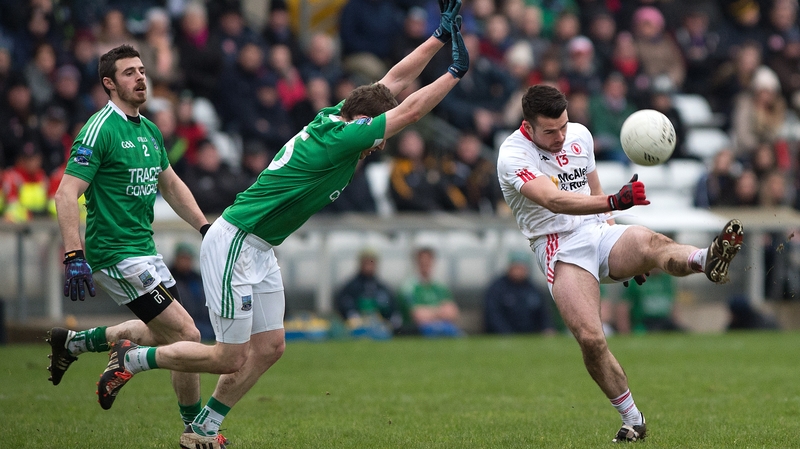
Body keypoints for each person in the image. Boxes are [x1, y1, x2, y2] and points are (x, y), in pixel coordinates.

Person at [94, 4, 469, 448]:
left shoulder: (339, 116)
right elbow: (408, 112)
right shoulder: (343, 139)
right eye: (378, 136)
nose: (380, 145)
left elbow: (391, 83)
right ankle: (134, 359)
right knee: (228, 357)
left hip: (259, 247)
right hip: (236, 242)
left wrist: (439, 37)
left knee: (271, 346)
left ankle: (204, 428)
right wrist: (455, 73)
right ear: (364, 124)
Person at [496, 84, 745, 443]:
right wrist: (615, 201)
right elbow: (554, 201)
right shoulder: (512, 155)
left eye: (563, 126)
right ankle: (633, 420)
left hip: (597, 231)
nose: (560, 136)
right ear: (528, 126)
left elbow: (594, 192)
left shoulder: (580, 135)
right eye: (550, 131)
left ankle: (707, 258)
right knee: (591, 339)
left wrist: (619, 242)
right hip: (557, 246)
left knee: (651, 243)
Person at [46, 45, 211, 433]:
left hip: (144, 251)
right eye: (129, 73)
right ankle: (195, 430)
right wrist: (74, 254)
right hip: (115, 253)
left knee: (167, 336)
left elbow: (171, 185)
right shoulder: (100, 129)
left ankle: (74, 343)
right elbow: (65, 194)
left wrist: (205, 228)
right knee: (188, 334)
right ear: (109, 83)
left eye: (142, 70)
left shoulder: (150, 130)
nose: (140, 78)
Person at [483, 251, 554, 334]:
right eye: (516, 268)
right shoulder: (497, 288)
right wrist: (505, 333)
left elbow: (543, 314)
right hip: (503, 335)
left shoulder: (534, 289)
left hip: (530, 334)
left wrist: (547, 328)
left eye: (522, 268)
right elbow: (493, 314)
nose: (519, 271)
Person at [398, 246, 463, 337]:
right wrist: (440, 312)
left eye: (428, 261)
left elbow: (453, 313)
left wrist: (429, 313)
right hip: (418, 331)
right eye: (422, 261)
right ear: (416, 263)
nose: (425, 264)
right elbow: (417, 316)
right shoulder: (408, 288)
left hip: (444, 327)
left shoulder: (440, 287)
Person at [335, 248, 401, 335]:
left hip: (380, 328)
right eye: (366, 262)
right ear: (361, 263)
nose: (369, 266)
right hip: (357, 329)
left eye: (371, 262)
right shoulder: (350, 288)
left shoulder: (383, 288)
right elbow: (344, 305)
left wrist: (393, 319)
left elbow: (392, 308)